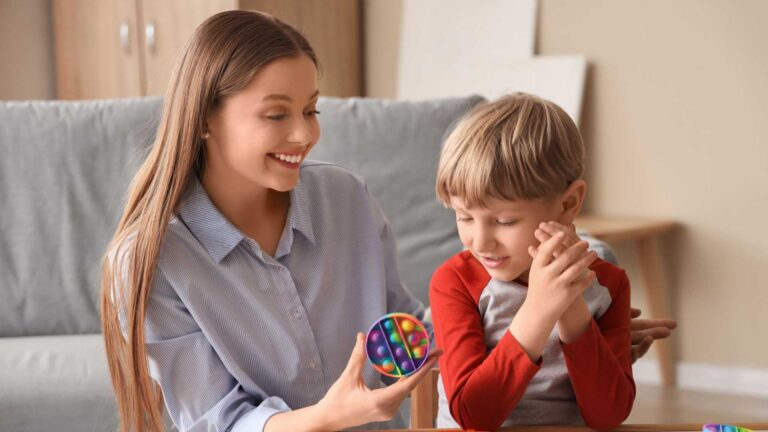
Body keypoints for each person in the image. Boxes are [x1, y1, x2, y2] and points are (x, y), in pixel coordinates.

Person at [100, 10, 675, 432]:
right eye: (277, 114)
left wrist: (582, 335)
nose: (304, 135)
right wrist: (325, 418)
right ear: (204, 118)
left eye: (310, 110)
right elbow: (213, 422)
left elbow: (409, 331)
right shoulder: (152, 260)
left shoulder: (343, 197)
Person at [431, 93, 643, 431]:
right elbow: (473, 417)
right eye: (464, 217)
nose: (481, 242)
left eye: (504, 221)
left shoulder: (609, 285)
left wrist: (570, 306)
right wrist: (539, 310)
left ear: (568, 203)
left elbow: (608, 417)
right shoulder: (454, 281)